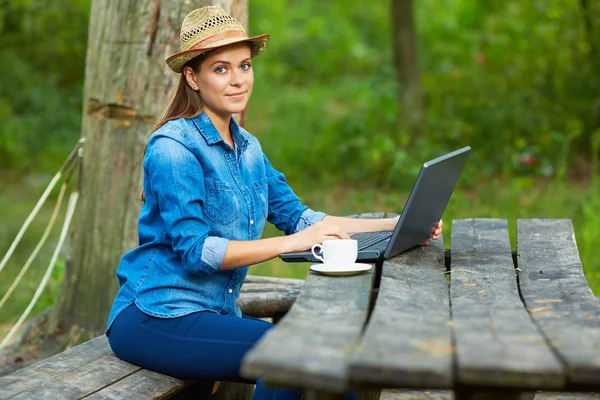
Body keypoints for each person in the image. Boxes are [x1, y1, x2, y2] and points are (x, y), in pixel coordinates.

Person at [105, 5, 442, 400]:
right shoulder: (173, 148)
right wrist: (290, 243)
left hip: (214, 315)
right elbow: (198, 252)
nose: (237, 80)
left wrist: (397, 225)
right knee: (290, 356)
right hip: (155, 315)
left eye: (244, 66)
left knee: (322, 363)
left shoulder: (247, 147)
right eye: (221, 68)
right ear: (192, 77)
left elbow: (301, 218)